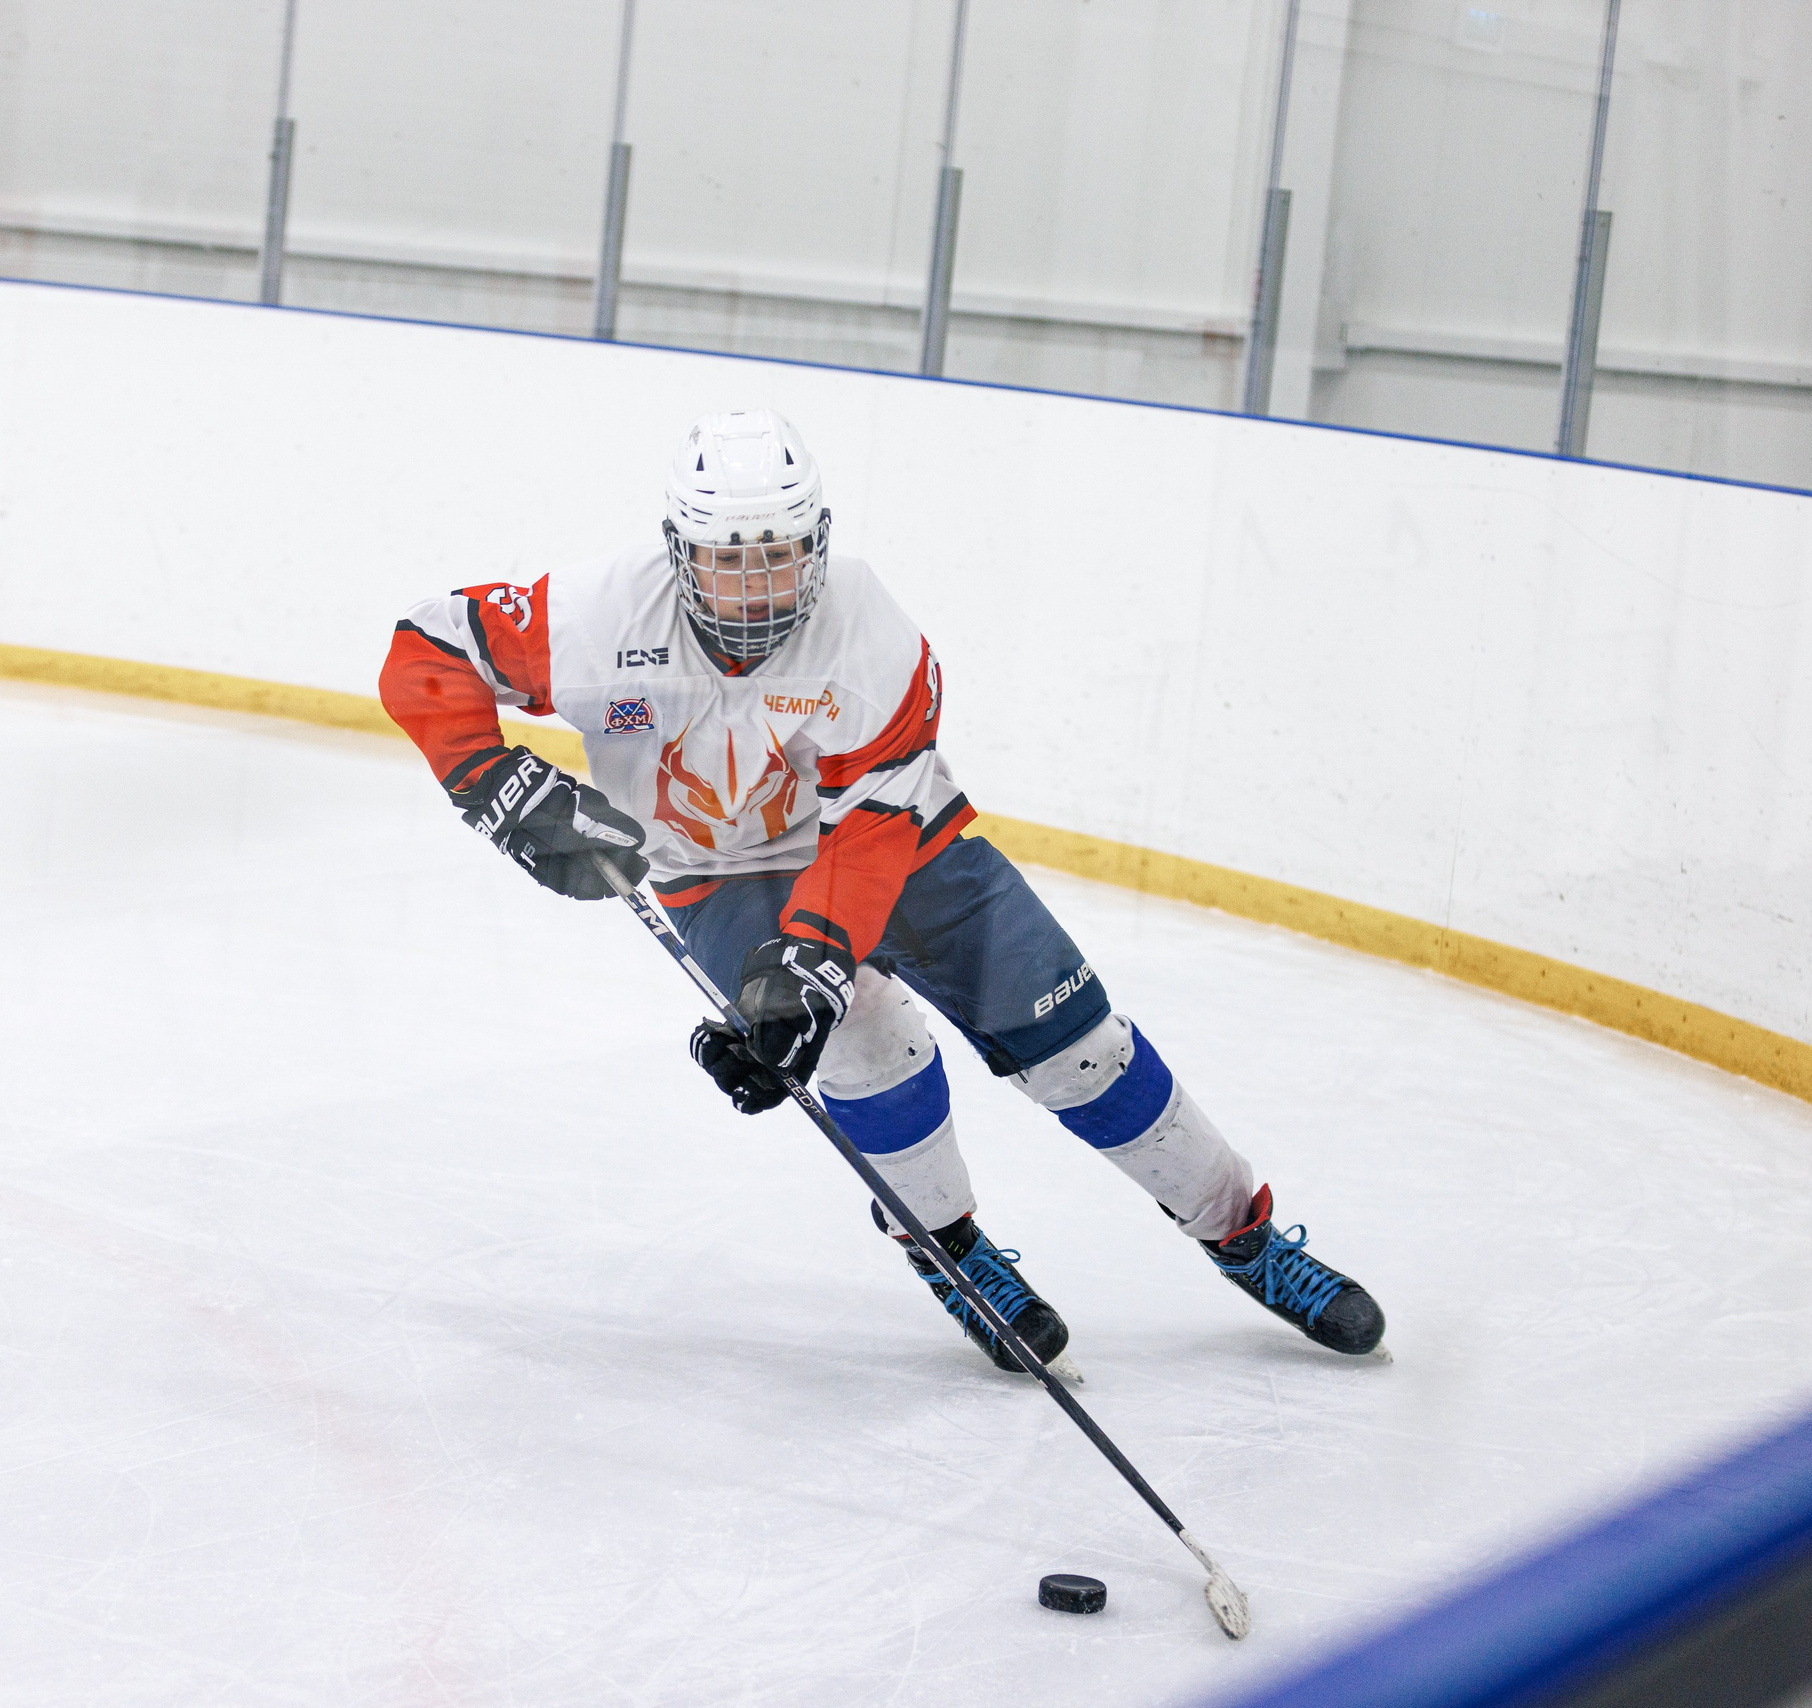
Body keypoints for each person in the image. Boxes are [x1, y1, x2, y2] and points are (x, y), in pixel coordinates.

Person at [378, 408, 1383, 1372]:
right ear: (680, 552)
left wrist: (813, 954)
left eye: (775, 555)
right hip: (717, 872)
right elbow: (428, 645)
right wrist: (489, 779)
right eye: (728, 559)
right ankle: (948, 1247)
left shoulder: (873, 633)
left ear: (815, 544)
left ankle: (1242, 1235)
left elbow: (869, 831)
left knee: (1081, 1050)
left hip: (901, 845)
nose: (753, 588)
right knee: (863, 1042)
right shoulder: (599, 612)